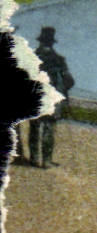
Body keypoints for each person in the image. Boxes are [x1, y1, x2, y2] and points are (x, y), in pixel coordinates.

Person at [27, 26, 72, 168]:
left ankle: (34, 158)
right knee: (49, 128)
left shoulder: (31, 56)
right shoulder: (59, 59)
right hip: (51, 97)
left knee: (34, 127)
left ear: (40, 41)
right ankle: (46, 160)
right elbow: (69, 81)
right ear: (52, 43)